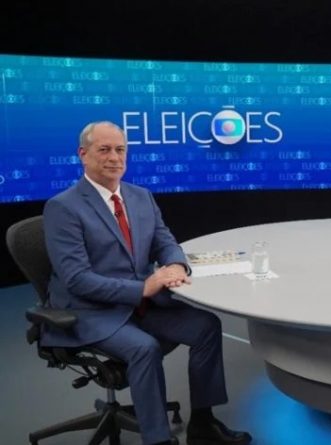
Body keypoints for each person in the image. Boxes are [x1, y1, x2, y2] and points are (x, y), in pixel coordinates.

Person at [42, 121, 252, 445]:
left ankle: (203, 423)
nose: (114, 157)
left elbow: (165, 241)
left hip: (140, 306)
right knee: (144, 348)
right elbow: (77, 279)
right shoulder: (63, 207)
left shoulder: (140, 196)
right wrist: (143, 288)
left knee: (206, 326)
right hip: (92, 311)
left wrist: (176, 264)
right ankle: (157, 439)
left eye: (120, 150)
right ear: (83, 154)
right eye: (104, 149)